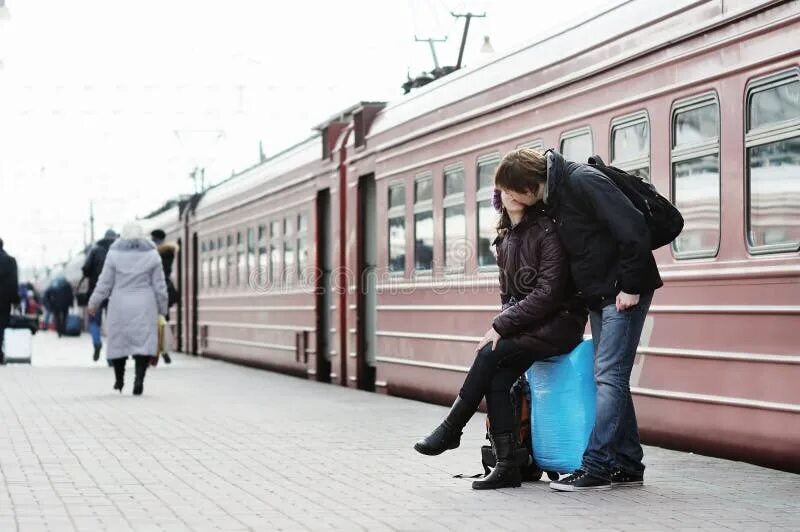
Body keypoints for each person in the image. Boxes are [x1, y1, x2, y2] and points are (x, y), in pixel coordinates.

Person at [493, 148, 663, 491]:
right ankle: (628, 463)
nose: (509, 198)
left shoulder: (582, 181)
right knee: (611, 376)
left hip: (622, 292)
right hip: (601, 295)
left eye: (511, 192)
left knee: (608, 376)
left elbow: (632, 227)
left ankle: (598, 467)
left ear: (528, 187)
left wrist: (630, 286)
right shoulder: (552, 198)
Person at [413, 171, 587, 490]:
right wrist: (504, 323)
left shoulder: (546, 231)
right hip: (531, 325)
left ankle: (452, 428)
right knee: (499, 375)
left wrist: (501, 325)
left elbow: (548, 293)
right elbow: (508, 295)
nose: (509, 196)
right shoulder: (505, 239)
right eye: (503, 192)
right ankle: (506, 464)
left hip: (561, 322)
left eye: (514, 189)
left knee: (490, 353)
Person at [87, 221, 168, 396]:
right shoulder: (153, 255)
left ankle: (119, 379)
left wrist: (93, 303)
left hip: (120, 303)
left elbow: (104, 283)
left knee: (119, 343)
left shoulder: (113, 254)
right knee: (143, 344)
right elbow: (160, 286)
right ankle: (139, 380)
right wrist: (163, 308)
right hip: (145, 303)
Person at [82, 229, 117, 361]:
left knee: (93, 321)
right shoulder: (117, 252)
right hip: (113, 293)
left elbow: (86, 270)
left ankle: (97, 342)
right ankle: (112, 357)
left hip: (95, 291)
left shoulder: (95, 251)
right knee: (113, 324)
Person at [150, 229, 178, 364]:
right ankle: (164, 350)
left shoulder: (153, 254)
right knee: (163, 321)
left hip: (152, 291)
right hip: (166, 289)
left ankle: (153, 351)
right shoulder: (169, 252)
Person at [0, 238, 20, 364]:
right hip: (4, 301)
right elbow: (13, 282)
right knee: (1, 326)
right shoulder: (10, 261)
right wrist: (15, 300)